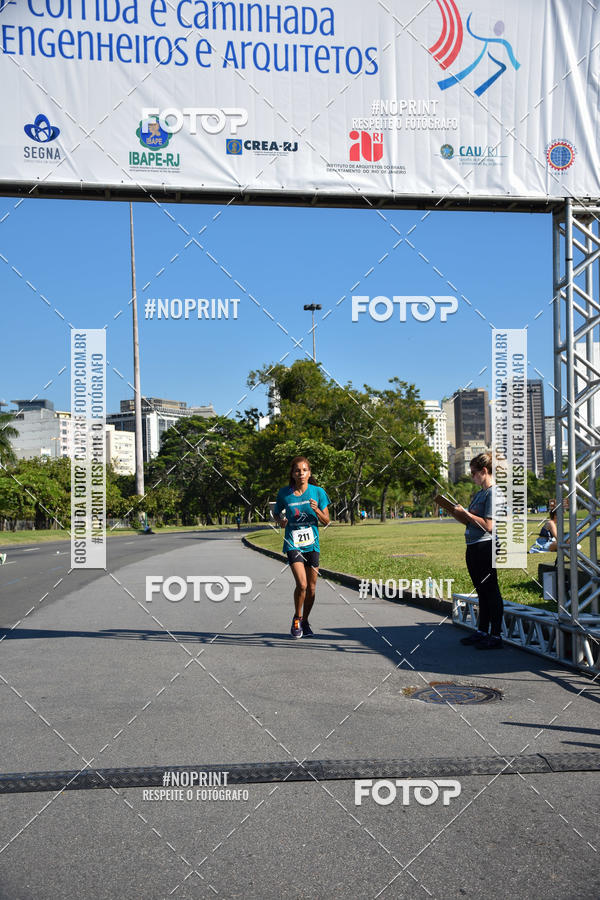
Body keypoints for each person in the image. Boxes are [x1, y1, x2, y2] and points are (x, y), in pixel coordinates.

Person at [449, 452, 504, 650]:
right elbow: (471, 520)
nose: (472, 477)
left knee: (491, 590)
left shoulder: (494, 493)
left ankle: (496, 635)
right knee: (480, 590)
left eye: (473, 473)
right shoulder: (480, 493)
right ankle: (482, 630)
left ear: (484, 471)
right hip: (473, 546)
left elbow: (489, 525)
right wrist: (459, 514)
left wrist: (467, 513)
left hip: (486, 546)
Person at [273, 456, 330, 639]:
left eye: (304, 470)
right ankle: (297, 618)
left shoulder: (318, 492)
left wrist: (317, 510)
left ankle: (305, 621)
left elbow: (326, 521)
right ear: (292, 473)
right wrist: (280, 521)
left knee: (312, 588)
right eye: (297, 470)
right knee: (302, 584)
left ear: (309, 472)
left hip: (312, 543)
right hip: (293, 542)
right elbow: (276, 513)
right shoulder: (284, 493)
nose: (301, 473)